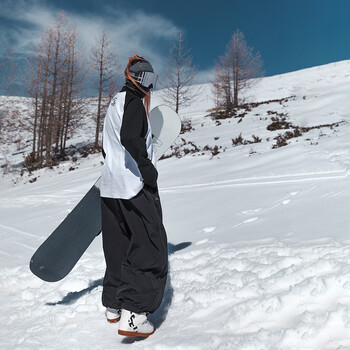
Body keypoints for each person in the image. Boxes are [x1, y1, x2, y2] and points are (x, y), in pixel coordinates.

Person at [100, 53, 168, 337]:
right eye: (145, 79)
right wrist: (146, 168)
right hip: (133, 186)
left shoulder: (115, 102)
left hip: (111, 188)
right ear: (133, 77)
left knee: (119, 244)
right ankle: (135, 315)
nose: (149, 86)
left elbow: (109, 144)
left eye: (153, 80)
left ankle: (114, 305)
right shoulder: (133, 103)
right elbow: (130, 138)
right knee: (149, 245)